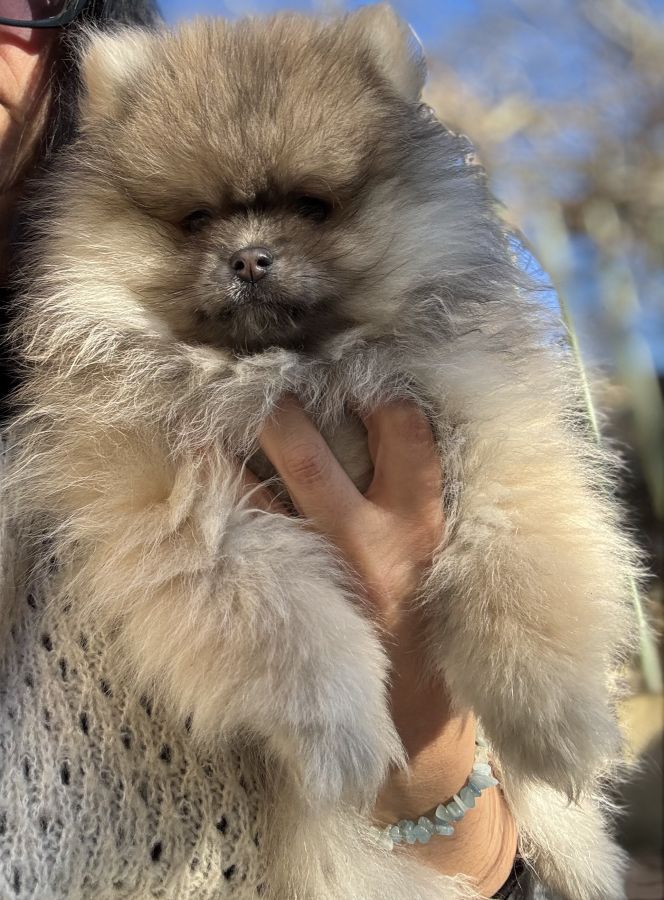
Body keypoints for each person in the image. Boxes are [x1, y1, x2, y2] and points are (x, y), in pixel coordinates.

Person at [0, 3, 542, 897]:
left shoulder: (484, 351)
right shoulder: (83, 404)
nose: (250, 253)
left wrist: (436, 766)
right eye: (194, 219)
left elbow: (543, 838)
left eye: (313, 207)